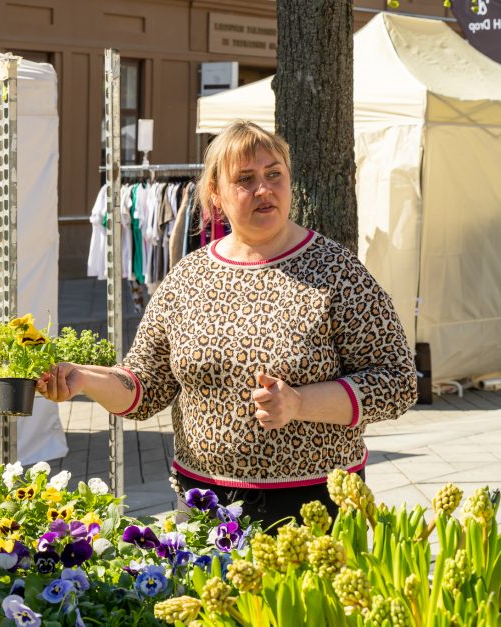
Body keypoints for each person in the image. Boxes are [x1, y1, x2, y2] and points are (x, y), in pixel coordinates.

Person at [38, 120, 417, 529]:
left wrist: (299, 403)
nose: (263, 189)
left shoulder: (336, 271)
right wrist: (85, 380)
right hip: (205, 507)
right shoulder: (189, 277)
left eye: (274, 175)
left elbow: (397, 382)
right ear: (215, 194)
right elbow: (145, 387)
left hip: (315, 506)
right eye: (245, 179)